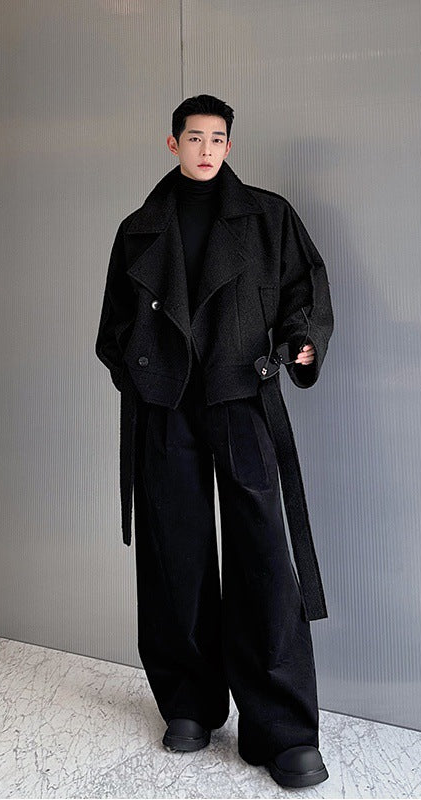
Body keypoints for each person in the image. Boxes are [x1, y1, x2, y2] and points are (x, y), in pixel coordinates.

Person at [95, 94, 334, 788]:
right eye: (194, 137)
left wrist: (301, 341)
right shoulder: (139, 228)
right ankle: (189, 704)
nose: (206, 149)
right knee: (175, 554)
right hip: (166, 407)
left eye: (217, 138)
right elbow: (113, 324)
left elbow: (305, 289)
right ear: (172, 143)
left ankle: (283, 730)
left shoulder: (268, 216)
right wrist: (139, 373)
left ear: (229, 145)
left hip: (240, 396)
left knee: (264, 557)